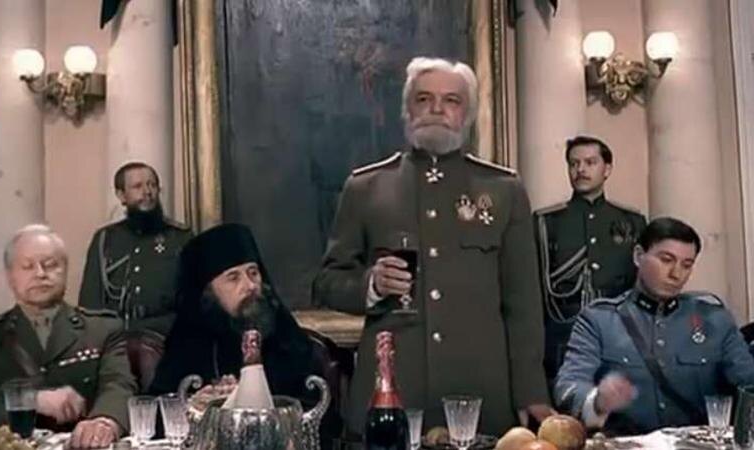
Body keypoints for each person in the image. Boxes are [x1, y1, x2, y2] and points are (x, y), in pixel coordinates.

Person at [312, 56, 552, 437]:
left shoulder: (503, 190)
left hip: (481, 394)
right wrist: (371, 285)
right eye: (424, 99)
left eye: (451, 100)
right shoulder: (366, 187)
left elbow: (523, 305)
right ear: (407, 110)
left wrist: (531, 392)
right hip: (393, 392)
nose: (437, 109)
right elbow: (327, 282)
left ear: (467, 114)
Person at [555, 217, 754, 435]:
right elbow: (568, 387)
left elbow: (748, 380)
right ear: (638, 256)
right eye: (666, 260)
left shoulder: (715, 320)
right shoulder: (599, 320)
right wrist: (597, 401)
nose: (676, 274)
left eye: (686, 265)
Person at [0, 224, 136, 448]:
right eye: (27, 266)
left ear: (65, 270)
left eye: (50, 265)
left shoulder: (102, 329)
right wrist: (32, 400)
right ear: (10, 276)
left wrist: (105, 421)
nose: (40, 274)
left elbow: (118, 384)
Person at [149, 223, 326, 407]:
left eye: (253, 273)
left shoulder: (287, 339)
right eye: (233, 278)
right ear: (209, 292)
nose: (250, 285)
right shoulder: (187, 344)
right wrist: (194, 407)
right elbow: (157, 409)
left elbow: (320, 411)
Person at [534, 136, 646, 385]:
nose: (580, 170)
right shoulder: (546, 222)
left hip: (619, 336)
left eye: (590, 162)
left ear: (607, 169)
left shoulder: (632, 221)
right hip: (563, 336)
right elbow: (533, 288)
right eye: (574, 164)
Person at [79, 162, 192, 336]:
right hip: (116, 340)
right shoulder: (105, 239)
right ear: (121, 195)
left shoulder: (180, 238)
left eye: (152, 185)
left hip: (168, 337)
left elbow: (194, 299)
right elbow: (90, 302)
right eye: (137, 186)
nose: (147, 192)